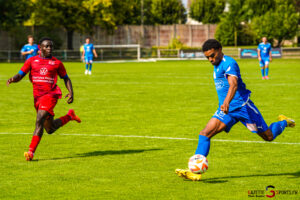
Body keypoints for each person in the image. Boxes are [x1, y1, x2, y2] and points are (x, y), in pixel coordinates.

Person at [175, 39, 295, 181]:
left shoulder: (229, 63)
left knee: (268, 137)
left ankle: (283, 122)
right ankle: (195, 172)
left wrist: (225, 102)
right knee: (205, 134)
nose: (210, 59)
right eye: (207, 57)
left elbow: (233, 85)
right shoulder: (217, 64)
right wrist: (225, 105)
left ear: (219, 49)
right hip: (227, 111)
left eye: (212, 55)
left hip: (244, 108)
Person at [7, 37, 81, 161]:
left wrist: (71, 92)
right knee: (49, 129)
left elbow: (66, 78)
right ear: (40, 48)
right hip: (37, 97)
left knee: (39, 120)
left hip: (51, 95)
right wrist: (13, 79)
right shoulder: (31, 61)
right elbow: (20, 74)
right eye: (47, 46)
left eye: (51, 46)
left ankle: (31, 152)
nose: (49, 48)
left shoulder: (57, 63)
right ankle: (70, 116)